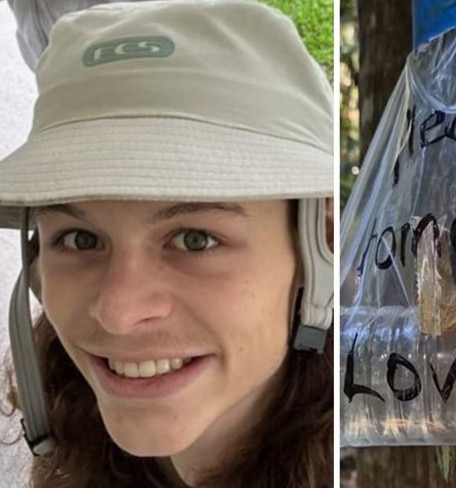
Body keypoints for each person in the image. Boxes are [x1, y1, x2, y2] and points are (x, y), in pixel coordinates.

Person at [0, 1, 333, 487]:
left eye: (194, 240)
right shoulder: (70, 424)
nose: (119, 312)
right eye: (79, 238)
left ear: (317, 245)